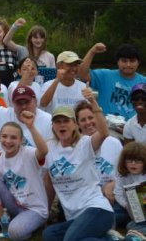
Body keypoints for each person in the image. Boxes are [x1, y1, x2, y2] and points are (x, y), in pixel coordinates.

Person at [42, 90, 115, 241]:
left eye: (66, 121)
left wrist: (93, 102)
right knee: (49, 235)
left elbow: (103, 133)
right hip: (74, 218)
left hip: (97, 209)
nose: (62, 125)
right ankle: (109, 238)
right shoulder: (49, 148)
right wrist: (46, 212)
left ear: (75, 124)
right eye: (57, 121)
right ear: (53, 126)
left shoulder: (84, 143)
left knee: (70, 239)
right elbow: (49, 184)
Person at [0, 68, 53, 150]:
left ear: (35, 102)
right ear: (13, 104)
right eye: (19, 103)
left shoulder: (48, 120)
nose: (23, 106)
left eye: (27, 102)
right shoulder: (0, 114)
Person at [0, 115, 49, 241]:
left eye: (14, 137)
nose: (8, 141)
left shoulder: (28, 153)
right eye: (4, 136)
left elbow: (43, 151)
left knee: (14, 232)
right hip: (14, 205)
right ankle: (2, 220)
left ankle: (28, 225)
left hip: (35, 209)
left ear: (21, 141)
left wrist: (30, 126)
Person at [74, 101, 126, 228]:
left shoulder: (114, 143)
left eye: (91, 117)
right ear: (77, 124)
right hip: (86, 199)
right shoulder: (75, 145)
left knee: (123, 209)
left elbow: (123, 174)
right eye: (83, 120)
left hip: (110, 196)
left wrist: (110, 186)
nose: (88, 122)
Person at [78, 43, 146, 120]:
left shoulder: (144, 81)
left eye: (132, 61)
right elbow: (81, 75)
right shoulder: (105, 75)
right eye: (124, 61)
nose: (128, 64)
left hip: (134, 126)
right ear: (118, 62)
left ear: (138, 62)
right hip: (106, 125)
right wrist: (92, 52)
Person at [112, 142, 146, 240]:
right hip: (127, 206)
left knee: (131, 225)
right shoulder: (122, 175)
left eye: (138, 160)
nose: (133, 163)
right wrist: (126, 205)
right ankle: (107, 229)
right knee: (113, 214)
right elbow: (117, 194)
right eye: (129, 160)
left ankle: (137, 232)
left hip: (143, 210)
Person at [0, 18, 29, 85]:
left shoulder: (10, 47)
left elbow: (6, 40)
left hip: (12, 83)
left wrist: (14, 26)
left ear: (4, 33)